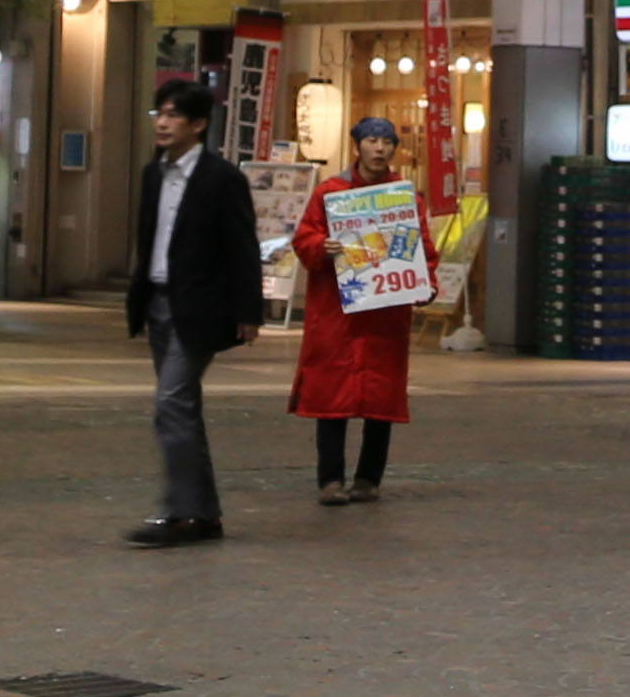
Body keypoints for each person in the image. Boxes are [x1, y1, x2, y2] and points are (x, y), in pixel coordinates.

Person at [123, 75, 264, 546]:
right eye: (159, 114)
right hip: (158, 302)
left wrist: (248, 310)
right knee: (183, 407)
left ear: (198, 124)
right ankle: (204, 514)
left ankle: (178, 513)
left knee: (171, 403)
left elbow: (242, 247)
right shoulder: (153, 174)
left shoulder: (221, 178)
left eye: (173, 115)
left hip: (201, 307)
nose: (162, 123)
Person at [288, 114, 418, 502]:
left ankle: (368, 479)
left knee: (380, 400)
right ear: (357, 146)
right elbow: (304, 238)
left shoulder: (403, 196)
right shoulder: (331, 192)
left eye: (387, 142)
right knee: (332, 397)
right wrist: (321, 246)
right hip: (337, 312)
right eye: (372, 141)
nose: (380, 148)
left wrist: (421, 281)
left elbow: (421, 247)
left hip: (385, 313)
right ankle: (330, 480)